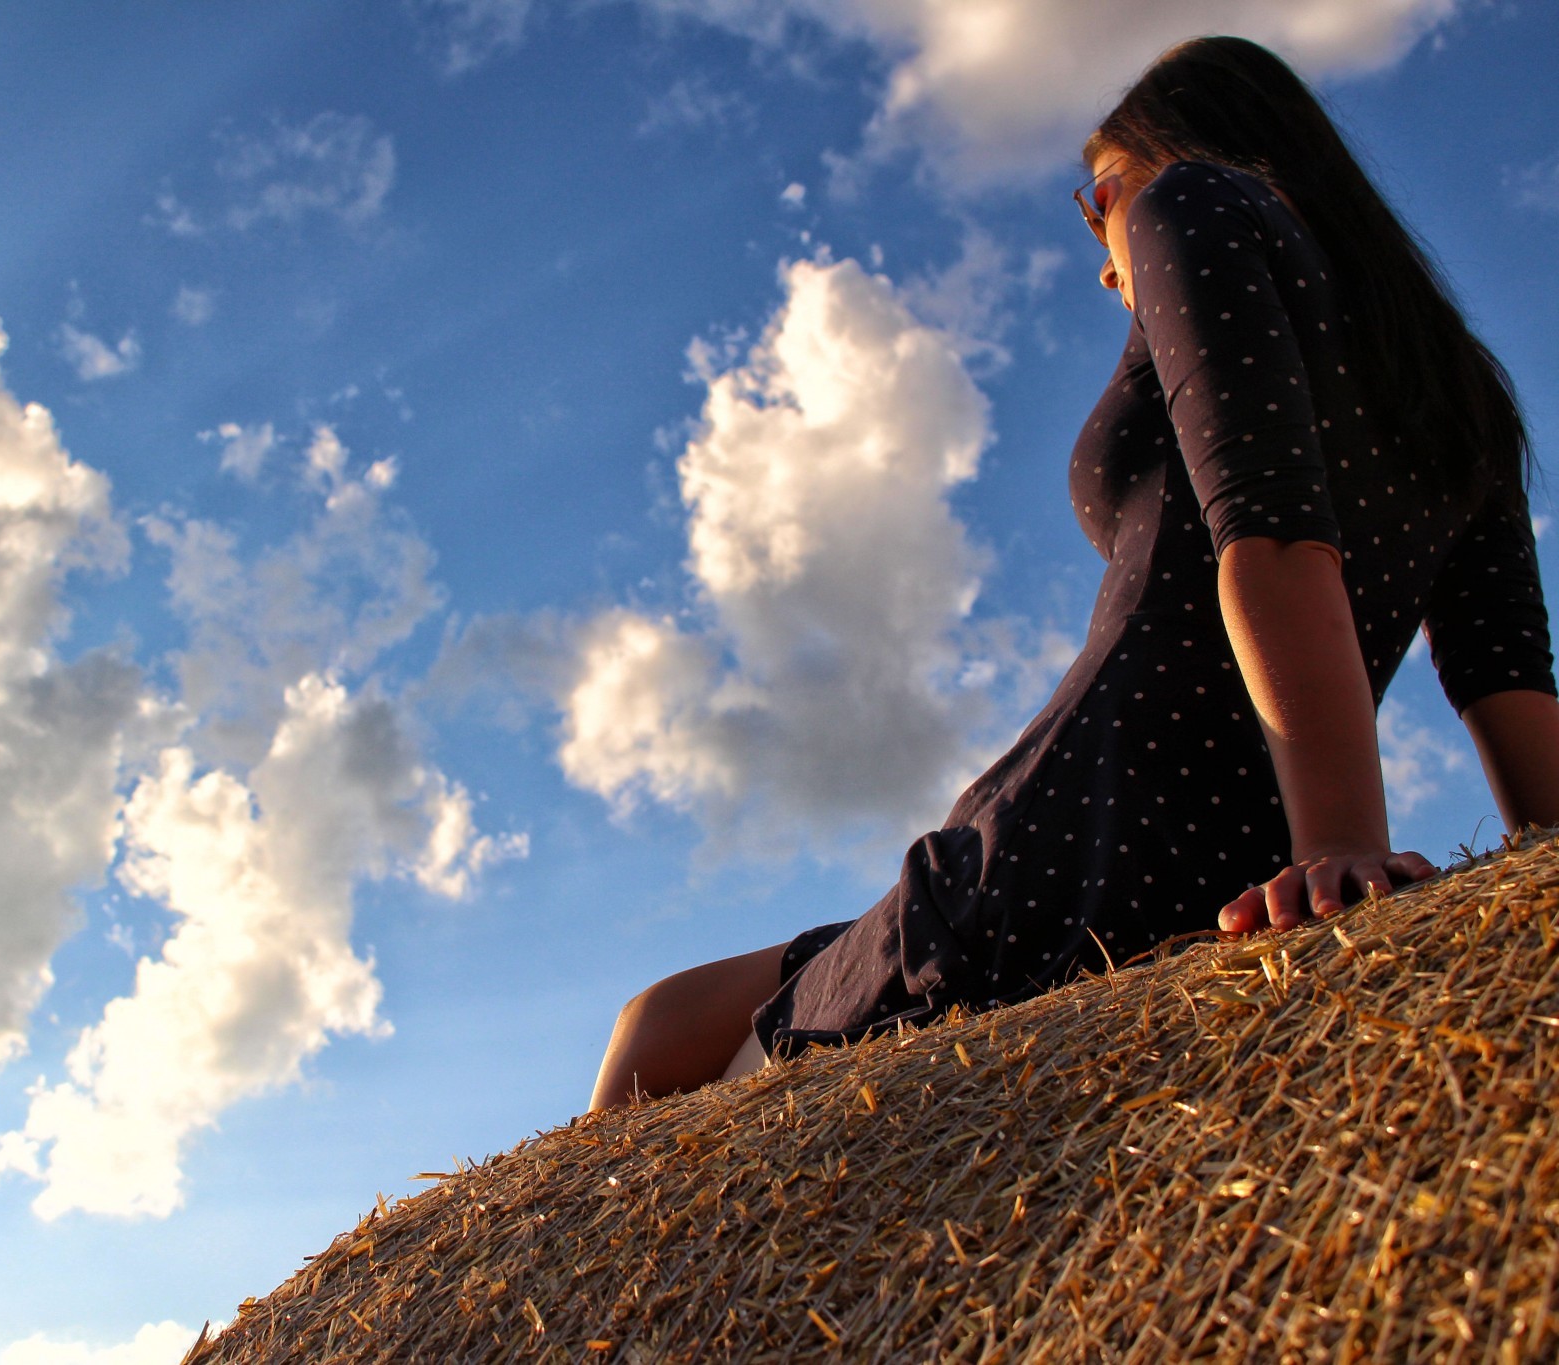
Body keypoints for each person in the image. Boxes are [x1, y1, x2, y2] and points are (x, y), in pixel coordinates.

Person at [588, 35, 1559, 1113]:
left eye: (1095, 202)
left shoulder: (1190, 202)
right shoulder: (1464, 392)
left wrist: (1338, 846)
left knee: (692, 1082)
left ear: (1172, 158)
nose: (1103, 258)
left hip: (1057, 867)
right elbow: (1510, 691)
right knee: (656, 1020)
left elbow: (1268, 531)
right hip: (1132, 858)